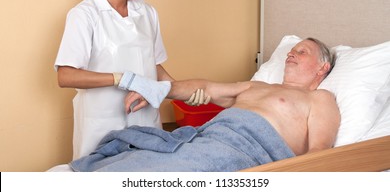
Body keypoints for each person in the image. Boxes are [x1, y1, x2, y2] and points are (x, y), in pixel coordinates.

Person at [69, 38, 341, 172]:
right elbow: (207, 88)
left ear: (322, 67)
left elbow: (320, 154)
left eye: (302, 52)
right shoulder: (257, 86)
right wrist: (158, 89)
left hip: (244, 152)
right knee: (126, 164)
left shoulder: (320, 99)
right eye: (291, 50)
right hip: (207, 139)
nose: (291, 53)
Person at [54, 0, 174, 160]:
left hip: (147, 124)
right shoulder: (84, 15)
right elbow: (66, 75)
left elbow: (154, 65)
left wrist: (178, 90)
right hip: (101, 129)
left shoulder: (147, 13)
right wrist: (122, 78)